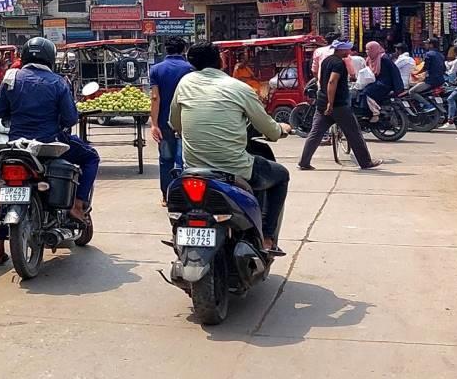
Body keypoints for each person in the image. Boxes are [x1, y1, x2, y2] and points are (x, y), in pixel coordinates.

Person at [168, 42, 291, 253]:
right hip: (234, 169)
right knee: (281, 176)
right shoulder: (239, 88)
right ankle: (267, 237)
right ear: (221, 60)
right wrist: (281, 128)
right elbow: (269, 129)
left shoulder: (185, 83)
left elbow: (175, 123)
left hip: (193, 170)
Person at [0, 37, 100, 265]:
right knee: (90, 157)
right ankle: (78, 205)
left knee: (9, 191)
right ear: (50, 58)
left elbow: (0, 112)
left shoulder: (11, 78)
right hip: (50, 144)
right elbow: (70, 118)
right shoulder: (58, 82)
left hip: (16, 146)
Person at [298, 40, 382, 171]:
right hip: (338, 105)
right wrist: (330, 103)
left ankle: (304, 162)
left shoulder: (326, 61)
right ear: (341, 50)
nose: (349, 52)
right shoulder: (338, 64)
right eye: (347, 50)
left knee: (315, 133)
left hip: (322, 102)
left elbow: (321, 79)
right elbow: (332, 82)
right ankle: (365, 162)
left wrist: (327, 102)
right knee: (354, 133)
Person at [148, 37, 194, 205]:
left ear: (165, 49)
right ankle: (183, 195)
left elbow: (155, 97)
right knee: (185, 160)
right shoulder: (191, 69)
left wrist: (154, 124)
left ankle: (166, 196)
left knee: (166, 159)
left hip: (164, 123)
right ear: (184, 50)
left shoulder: (156, 69)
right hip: (186, 122)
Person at [360, 41, 405, 121]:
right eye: (366, 49)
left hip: (384, 84)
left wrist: (398, 88)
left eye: (369, 49)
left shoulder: (383, 58)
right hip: (377, 82)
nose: (367, 51)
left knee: (366, 92)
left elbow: (394, 72)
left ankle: (374, 113)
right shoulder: (370, 59)